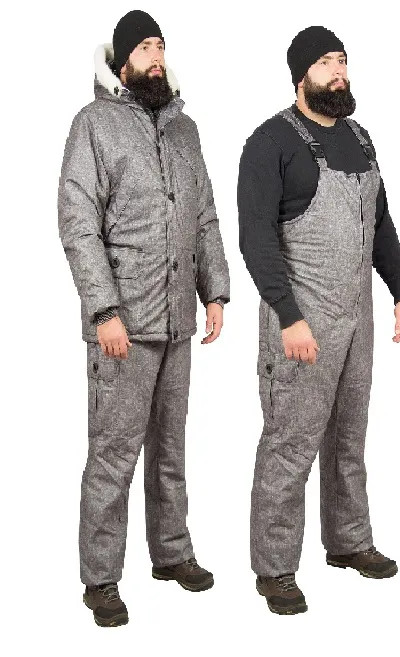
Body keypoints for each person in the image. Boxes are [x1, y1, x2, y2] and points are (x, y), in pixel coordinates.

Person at [57, 9, 230, 627]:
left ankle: (172, 553)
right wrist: (104, 308)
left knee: (171, 448)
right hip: (123, 326)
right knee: (113, 454)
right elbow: (77, 221)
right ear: (123, 60)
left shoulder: (185, 129)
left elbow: (204, 213)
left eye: (161, 46)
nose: (157, 56)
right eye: (145, 48)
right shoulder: (94, 124)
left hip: (177, 318)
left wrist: (215, 291)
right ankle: (101, 578)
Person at [237, 25, 400, 615]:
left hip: (358, 319)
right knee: (290, 444)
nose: (338, 72)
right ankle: (275, 569)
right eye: (325, 63)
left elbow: (380, 222)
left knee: (349, 437)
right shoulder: (271, 142)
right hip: (302, 323)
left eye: (342, 61)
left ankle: (349, 541)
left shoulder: (360, 139)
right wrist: (288, 316)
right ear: (300, 77)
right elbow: (256, 237)